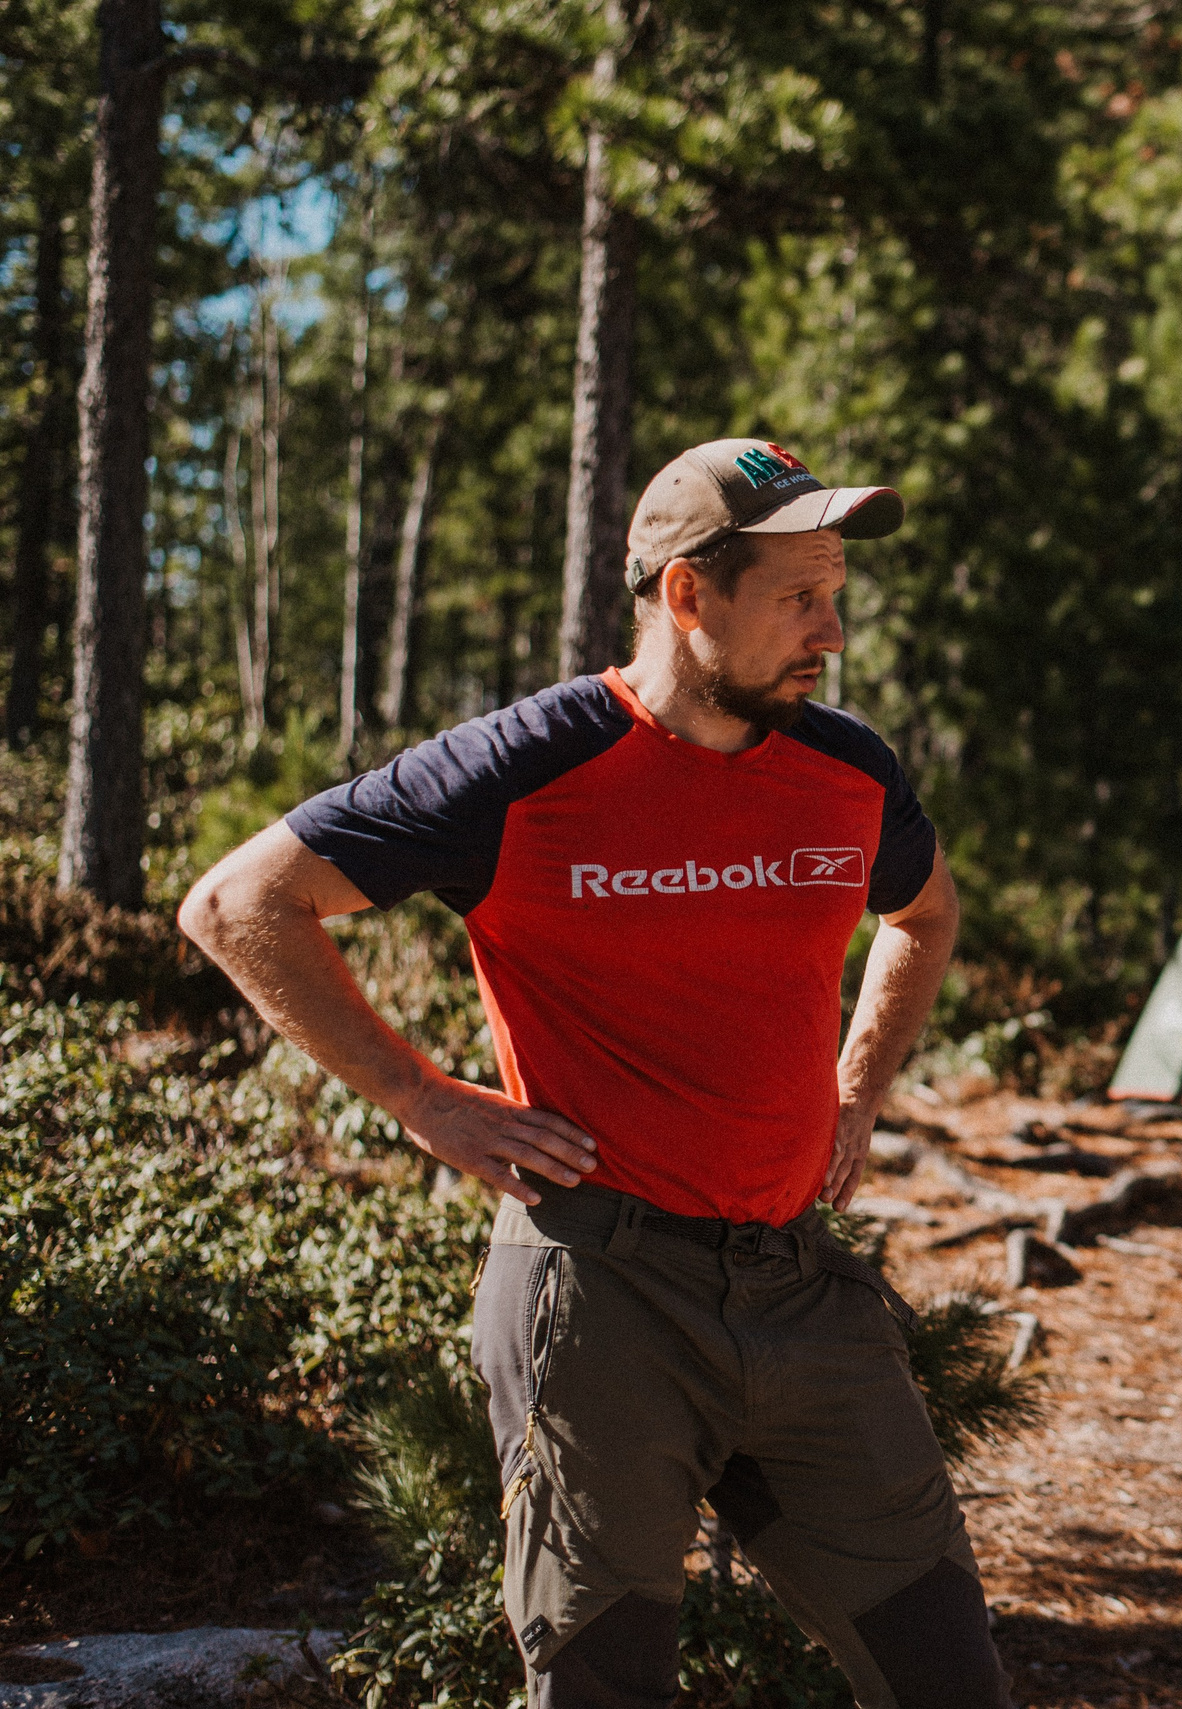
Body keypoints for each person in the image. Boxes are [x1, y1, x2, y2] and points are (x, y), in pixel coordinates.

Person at [180, 439, 1011, 1709]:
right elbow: (240, 903)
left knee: (948, 1678)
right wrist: (424, 1098)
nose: (831, 632)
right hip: (600, 1291)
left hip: (802, 1287)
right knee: (601, 1690)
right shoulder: (524, 767)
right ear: (688, 595)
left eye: (835, 594)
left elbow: (925, 914)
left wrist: (859, 1087)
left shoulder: (849, 772)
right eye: (799, 596)